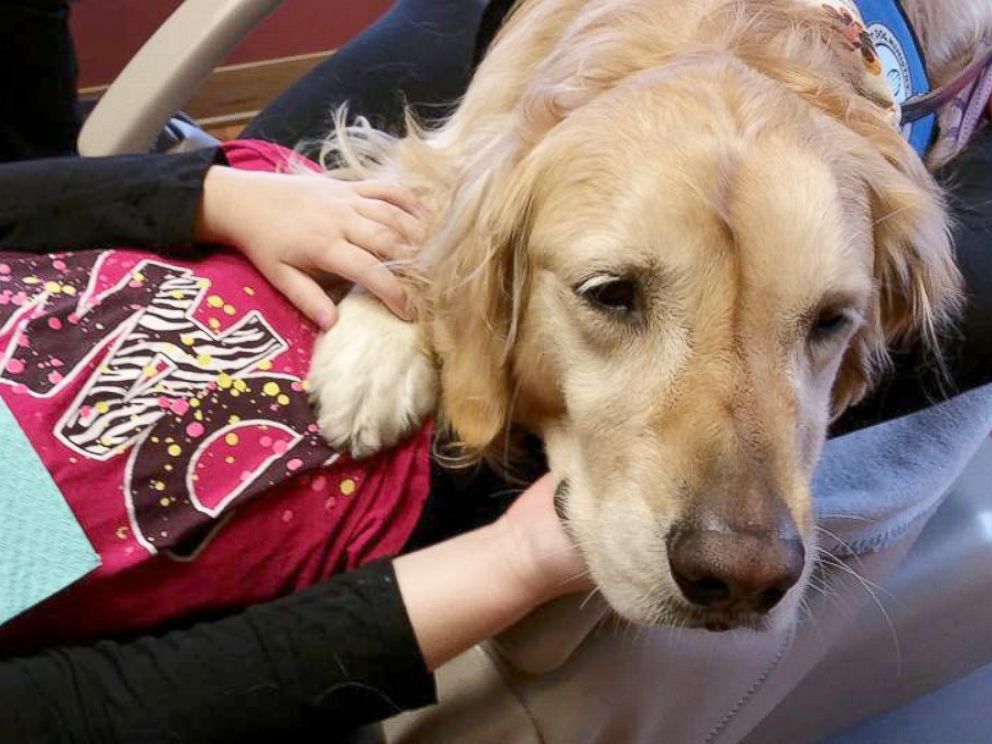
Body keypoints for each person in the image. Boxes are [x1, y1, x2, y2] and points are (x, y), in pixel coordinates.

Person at [1, 0, 991, 741]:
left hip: (266, 222)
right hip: (398, 466)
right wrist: (504, 567)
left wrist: (204, 197)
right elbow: (114, 706)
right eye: (828, 320)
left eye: (824, 318)